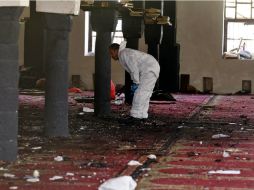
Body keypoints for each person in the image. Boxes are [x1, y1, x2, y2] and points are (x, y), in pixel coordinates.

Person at [109, 41, 160, 121]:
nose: (111, 56)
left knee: (140, 93)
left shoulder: (123, 54)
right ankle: (142, 115)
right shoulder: (125, 53)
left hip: (149, 68)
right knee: (145, 93)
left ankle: (135, 117)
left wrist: (136, 82)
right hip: (152, 67)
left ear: (116, 50)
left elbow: (133, 69)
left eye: (111, 53)